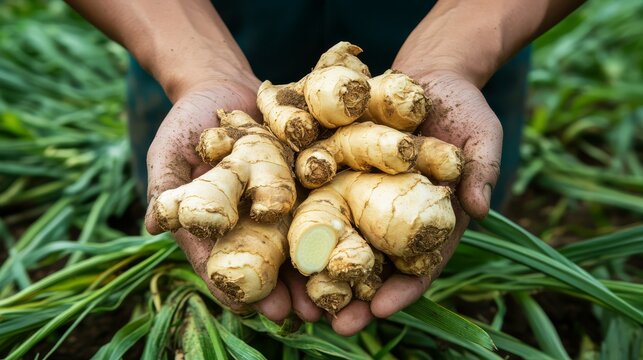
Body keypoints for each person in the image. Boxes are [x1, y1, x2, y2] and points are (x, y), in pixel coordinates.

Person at [66, 0, 584, 336]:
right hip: (187, 24)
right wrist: (198, 71)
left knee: (468, 194)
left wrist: (458, 53)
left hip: (466, 20)